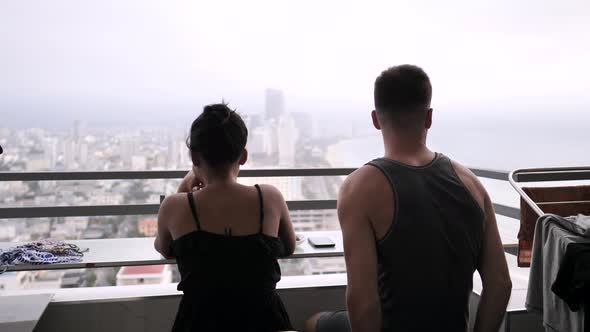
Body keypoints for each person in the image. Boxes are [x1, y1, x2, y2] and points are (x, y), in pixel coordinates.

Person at [306, 65, 512, 332]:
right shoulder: (472, 184)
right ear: (428, 117)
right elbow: (500, 284)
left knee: (313, 322)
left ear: (376, 120)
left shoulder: (359, 188)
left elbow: (364, 303)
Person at [155, 103, 297, 332]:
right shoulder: (269, 197)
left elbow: (164, 248)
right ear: (243, 156)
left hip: (198, 323)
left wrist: (184, 187)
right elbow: (289, 247)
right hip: (266, 322)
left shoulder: (174, 206)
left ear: (194, 157)